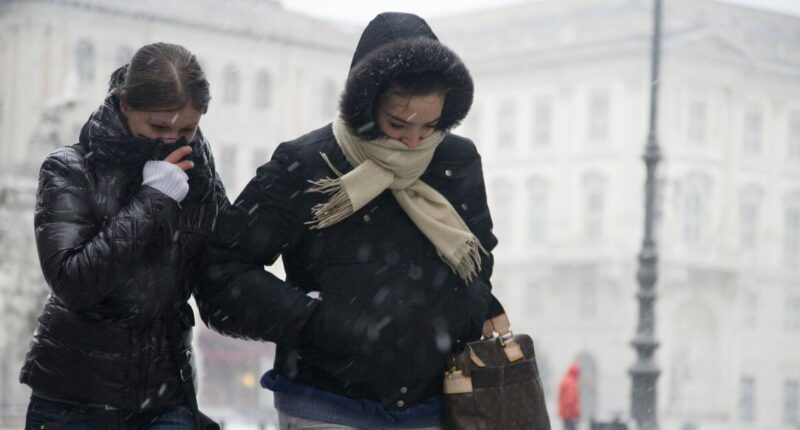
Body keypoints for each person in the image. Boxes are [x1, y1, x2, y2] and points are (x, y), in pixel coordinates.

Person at [197, 11, 497, 430]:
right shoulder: (306, 164)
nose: (414, 141)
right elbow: (222, 270)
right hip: (325, 400)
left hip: (430, 404)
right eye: (398, 124)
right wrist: (314, 321)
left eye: (431, 125)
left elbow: (479, 257)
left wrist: (456, 318)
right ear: (366, 103)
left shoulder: (456, 160)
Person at [20, 42, 227, 429]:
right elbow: (74, 281)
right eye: (158, 126)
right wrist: (153, 199)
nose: (171, 139)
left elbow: (221, 276)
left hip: (167, 396)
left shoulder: (199, 176)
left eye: (187, 129)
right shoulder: (69, 168)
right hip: (74, 401)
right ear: (125, 104)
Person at [558, 362, 581, 430]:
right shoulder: (570, 382)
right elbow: (569, 400)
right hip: (569, 415)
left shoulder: (566, 379)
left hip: (566, 414)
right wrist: (575, 413)